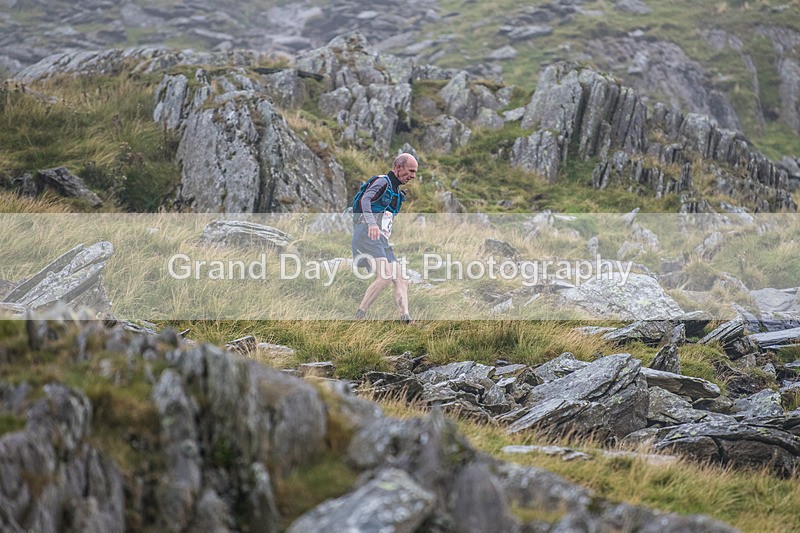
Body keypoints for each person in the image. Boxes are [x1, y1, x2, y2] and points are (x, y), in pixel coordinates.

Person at [352, 153, 417, 323]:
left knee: (401, 279)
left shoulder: (396, 192)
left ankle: (405, 319)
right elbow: (365, 200)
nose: (413, 176)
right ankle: (359, 315)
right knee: (385, 276)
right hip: (367, 233)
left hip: (381, 239)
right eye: (410, 171)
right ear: (398, 168)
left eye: (415, 172)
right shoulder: (382, 181)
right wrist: (372, 224)